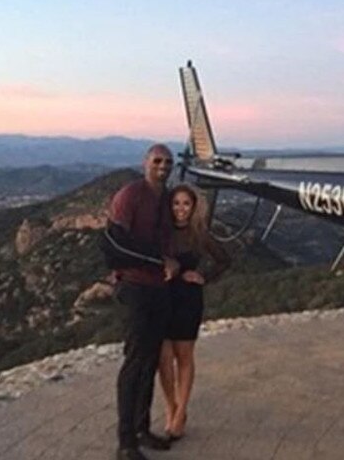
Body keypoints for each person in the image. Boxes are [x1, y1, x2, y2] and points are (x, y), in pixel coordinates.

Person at [103, 144, 180, 460]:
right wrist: (158, 261)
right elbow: (115, 244)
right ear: (145, 162)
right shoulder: (130, 194)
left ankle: (142, 428)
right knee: (135, 361)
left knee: (150, 360)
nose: (163, 166)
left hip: (160, 289)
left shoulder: (166, 199)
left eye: (168, 162)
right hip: (135, 287)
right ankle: (125, 442)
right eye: (157, 161)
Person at [158, 183, 231, 440]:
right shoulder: (162, 232)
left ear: (194, 207)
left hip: (188, 299)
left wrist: (203, 276)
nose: (180, 209)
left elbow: (224, 259)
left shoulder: (199, 234)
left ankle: (180, 414)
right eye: (176, 203)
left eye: (186, 204)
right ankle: (171, 407)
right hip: (163, 298)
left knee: (184, 356)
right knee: (163, 359)